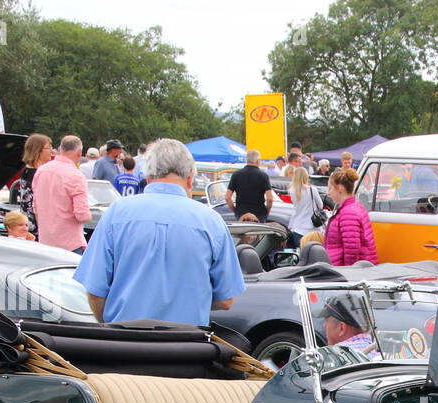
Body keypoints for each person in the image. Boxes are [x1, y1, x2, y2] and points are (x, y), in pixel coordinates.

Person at [74, 137, 243, 325]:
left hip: (123, 342)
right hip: (187, 345)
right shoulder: (211, 222)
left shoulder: (116, 214)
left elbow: (95, 292)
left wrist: (108, 324)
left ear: (147, 178)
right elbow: (226, 300)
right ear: (189, 178)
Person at [33, 135, 92, 253]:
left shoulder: (41, 171)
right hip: (69, 244)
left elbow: (35, 207)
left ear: (60, 149)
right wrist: (90, 216)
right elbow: (82, 215)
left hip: (45, 242)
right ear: (79, 153)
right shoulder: (76, 175)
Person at [323, 167, 376, 266]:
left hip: (347, 272)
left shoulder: (348, 213)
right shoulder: (355, 207)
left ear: (339, 188)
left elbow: (352, 251)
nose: (328, 193)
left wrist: (349, 274)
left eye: (330, 188)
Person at [12, 133, 53, 234]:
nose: (51, 151)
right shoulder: (39, 173)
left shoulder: (26, 170)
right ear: (38, 150)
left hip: (28, 222)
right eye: (48, 148)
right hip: (37, 225)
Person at [322, 294, 380, 359]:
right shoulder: (382, 355)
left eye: (326, 321)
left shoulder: (333, 358)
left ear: (341, 328)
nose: (324, 325)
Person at [226, 150, 273, 222]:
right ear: (258, 160)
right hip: (259, 213)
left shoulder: (236, 174)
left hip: (241, 213)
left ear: (247, 160)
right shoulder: (264, 176)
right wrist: (267, 211)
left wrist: (235, 210)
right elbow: (270, 199)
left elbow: (227, 197)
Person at [285, 165, 319, 248]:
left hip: (297, 227)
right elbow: (320, 205)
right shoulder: (312, 189)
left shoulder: (292, 191)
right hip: (312, 227)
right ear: (306, 176)